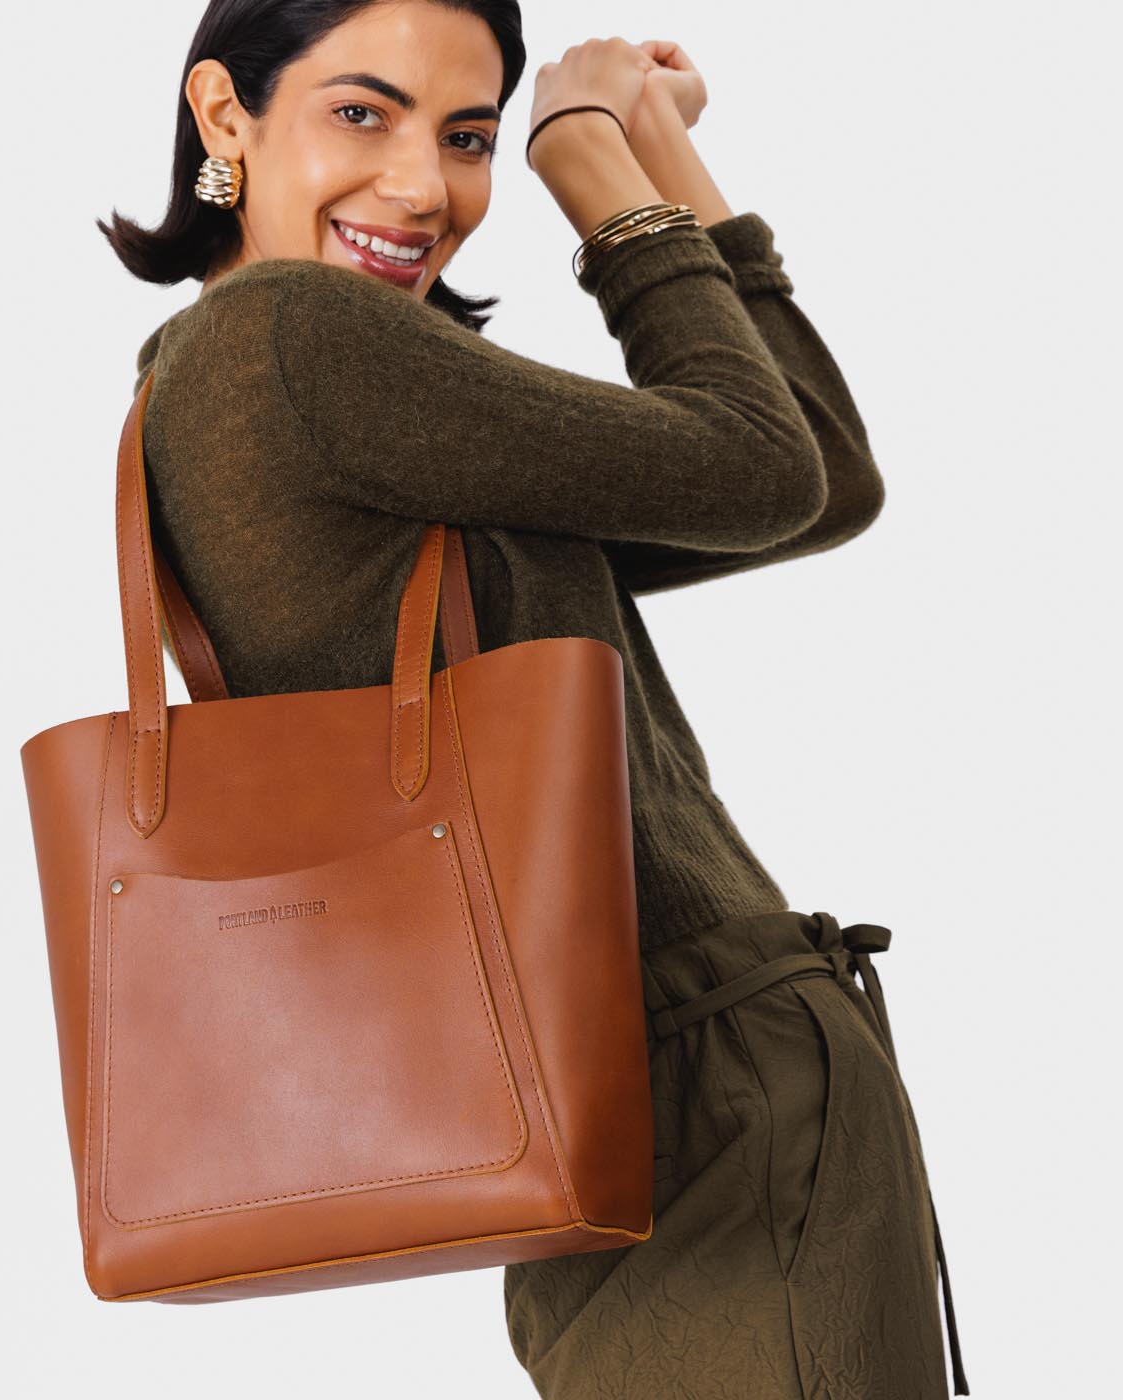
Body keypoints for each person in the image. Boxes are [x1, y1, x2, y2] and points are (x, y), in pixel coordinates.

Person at [100, 2, 969, 1395]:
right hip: (694, 1097)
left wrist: (653, 154)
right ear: (223, 115)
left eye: (471, 137)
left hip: (606, 1122)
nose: (422, 188)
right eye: (362, 113)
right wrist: (587, 163)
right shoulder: (294, 340)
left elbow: (815, 478)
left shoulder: (249, 383)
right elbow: (772, 467)